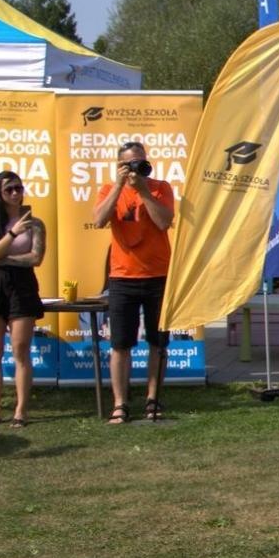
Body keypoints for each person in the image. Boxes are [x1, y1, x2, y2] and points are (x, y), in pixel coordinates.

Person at [93, 141, 175, 424]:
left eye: (140, 162)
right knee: (120, 344)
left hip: (158, 275)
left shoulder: (160, 187)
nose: (136, 168)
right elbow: (99, 221)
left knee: (158, 342)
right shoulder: (108, 190)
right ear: (119, 166)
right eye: (130, 164)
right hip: (122, 277)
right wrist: (119, 186)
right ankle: (120, 403)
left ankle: (153, 399)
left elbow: (164, 222)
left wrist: (142, 189)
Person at [0, 171, 46, 428]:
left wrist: (1, 258)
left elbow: (35, 258)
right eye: (10, 190)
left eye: (19, 188)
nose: (16, 193)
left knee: (20, 350)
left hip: (23, 285)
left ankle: (20, 411)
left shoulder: (35, 223)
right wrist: (13, 234)